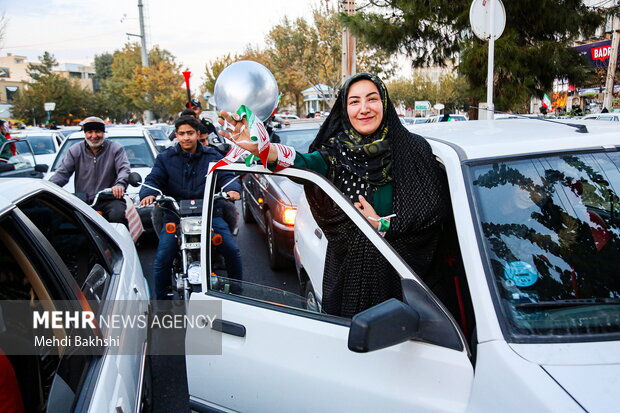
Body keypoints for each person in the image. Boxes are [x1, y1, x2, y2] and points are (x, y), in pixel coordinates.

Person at [219, 72, 448, 317]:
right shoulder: (336, 154)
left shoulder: (414, 150)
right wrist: (264, 149)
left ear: (384, 103)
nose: (364, 109)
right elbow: (302, 163)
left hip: (410, 280)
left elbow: (434, 209)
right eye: (354, 102)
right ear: (344, 108)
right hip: (350, 279)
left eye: (372, 99)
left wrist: (384, 225)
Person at [139, 116, 242, 300]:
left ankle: (238, 294)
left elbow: (227, 175)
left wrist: (231, 189)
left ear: (198, 134)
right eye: (181, 134)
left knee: (231, 249)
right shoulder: (165, 158)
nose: (186, 138)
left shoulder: (213, 155)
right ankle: (163, 300)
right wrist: (149, 192)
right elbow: (153, 178)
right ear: (176, 136)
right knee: (163, 255)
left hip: (209, 213)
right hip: (175, 215)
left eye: (190, 133)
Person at [50, 116, 130, 226]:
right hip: (82, 200)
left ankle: (121, 243)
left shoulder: (115, 149)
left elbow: (124, 169)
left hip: (109, 199)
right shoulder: (75, 150)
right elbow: (62, 173)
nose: (94, 136)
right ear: (85, 133)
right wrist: (50, 187)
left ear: (103, 132)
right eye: (90, 132)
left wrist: (120, 184)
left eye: (98, 132)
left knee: (117, 216)